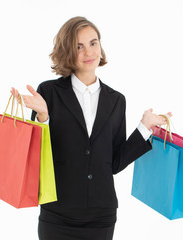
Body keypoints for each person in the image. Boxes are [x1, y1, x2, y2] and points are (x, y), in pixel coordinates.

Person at [11, 16, 172, 240]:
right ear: (67, 51)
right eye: (79, 46)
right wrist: (43, 119)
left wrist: (144, 128)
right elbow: (38, 160)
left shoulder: (116, 100)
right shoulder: (48, 93)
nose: (89, 52)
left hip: (101, 217)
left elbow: (114, 163)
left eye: (93, 43)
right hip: (58, 214)